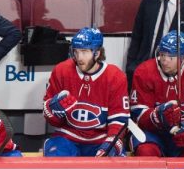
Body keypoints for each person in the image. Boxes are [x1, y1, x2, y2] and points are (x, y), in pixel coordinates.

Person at [42, 27, 129, 157]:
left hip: (101, 139)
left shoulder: (115, 76)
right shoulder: (61, 71)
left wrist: (112, 142)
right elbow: (50, 117)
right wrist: (53, 111)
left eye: (84, 52)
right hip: (67, 137)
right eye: (76, 52)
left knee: (111, 164)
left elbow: (119, 118)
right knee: (56, 160)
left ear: (97, 53)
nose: (79, 57)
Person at [130, 31, 184, 157]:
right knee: (146, 151)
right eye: (161, 54)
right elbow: (138, 115)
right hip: (153, 132)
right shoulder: (143, 72)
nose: (164, 60)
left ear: (183, 57)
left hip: (182, 131)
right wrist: (157, 115)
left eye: (170, 57)